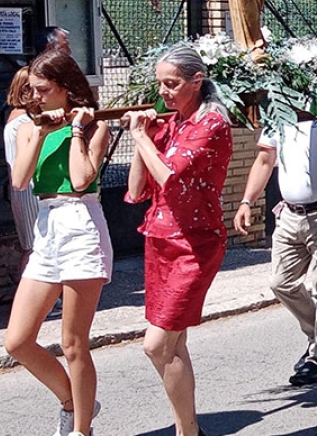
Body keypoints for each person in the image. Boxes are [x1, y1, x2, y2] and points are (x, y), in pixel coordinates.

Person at [125, 45, 233, 436]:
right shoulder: (171, 124)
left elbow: (170, 174)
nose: (164, 92)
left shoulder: (212, 123)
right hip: (159, 240)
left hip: (195, 244)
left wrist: (141, 137)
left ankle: (188, 432)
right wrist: (147, 137)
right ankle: (188, 429)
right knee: (174, 343)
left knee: (156, 346)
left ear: (196, 81)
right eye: (160, 84)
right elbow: (138, 189)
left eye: (171, 84)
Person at [5, 50, 112, 436]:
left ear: (66, 88)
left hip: (81, 223)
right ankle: (75, 402)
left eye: (44, 90)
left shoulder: (95, 125)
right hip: (47, 228)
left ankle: (81, 429)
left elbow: (82, 178)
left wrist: (77, 130)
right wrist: (42, 131)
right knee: (17, 341)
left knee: (73, 343)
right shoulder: (30, 126)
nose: (36, 97)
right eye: (32, 91)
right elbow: (19, 180)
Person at [234, 113, 317, 386]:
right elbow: (265, 159)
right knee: (280, 283)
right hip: (290, 213)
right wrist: (246, 201)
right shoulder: (278, 113)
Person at [4, 67, 40, 274]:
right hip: (28, 189)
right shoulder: (22, 122)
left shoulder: (22, 118)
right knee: (33, 245)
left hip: (27, 188)